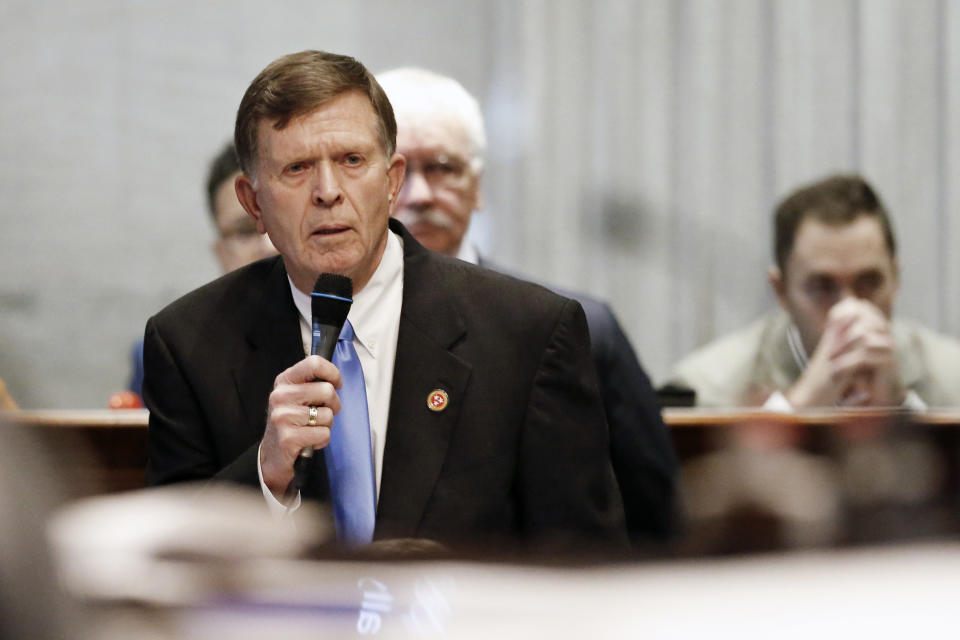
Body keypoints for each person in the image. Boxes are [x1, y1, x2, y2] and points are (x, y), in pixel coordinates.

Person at [143, 50, 627, 556]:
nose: (328, 191)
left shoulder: (527, 333)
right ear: (253, 203)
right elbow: (170, 563)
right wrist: (265, 473)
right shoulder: (189, 343)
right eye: (297, 168)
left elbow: (585, 564)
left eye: (351, 161)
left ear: (392, 181)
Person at [377, 67, 677, 542]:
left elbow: (652, 513)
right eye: (398, 172)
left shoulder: (575, 327)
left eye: (442, 168)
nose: (420, 195)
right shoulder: (326, 322)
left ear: (477, 186)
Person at [669, 173, 960, 409]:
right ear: (780, 291)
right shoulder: (707, 390)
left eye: (869, 282)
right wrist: (798, 405)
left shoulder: (952, 377)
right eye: (822, 287)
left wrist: (902, 407)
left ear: (895, 279)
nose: (850, 308)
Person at [127, 143, 277, 397]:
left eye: (278, 220)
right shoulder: (172, 358)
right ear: (220, 252)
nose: (269, 246)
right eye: (245, 231)